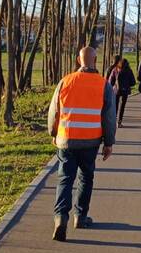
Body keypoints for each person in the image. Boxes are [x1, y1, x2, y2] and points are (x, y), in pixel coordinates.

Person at [48, 47, 116, 242]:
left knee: (65, 179)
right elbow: (109, 117)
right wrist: (109, 142)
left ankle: (61, 218)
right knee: (86, 177)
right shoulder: (103, 85)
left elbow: (54, 110)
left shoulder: (65, 81)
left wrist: (53, 132)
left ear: (79, 60)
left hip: (67, 139)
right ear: (95, 60)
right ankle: (80, 216)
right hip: (90, 140)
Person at [113, 58, 136, 127]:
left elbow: (111, 79)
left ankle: (114, 120)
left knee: (115, 106)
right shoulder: (129, 71)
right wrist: (128, 84)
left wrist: (113, 85)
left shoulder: (116, 70)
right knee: (122, 106)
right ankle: (119, 122)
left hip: (117, 90)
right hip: (125, 90)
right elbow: (133, 82)